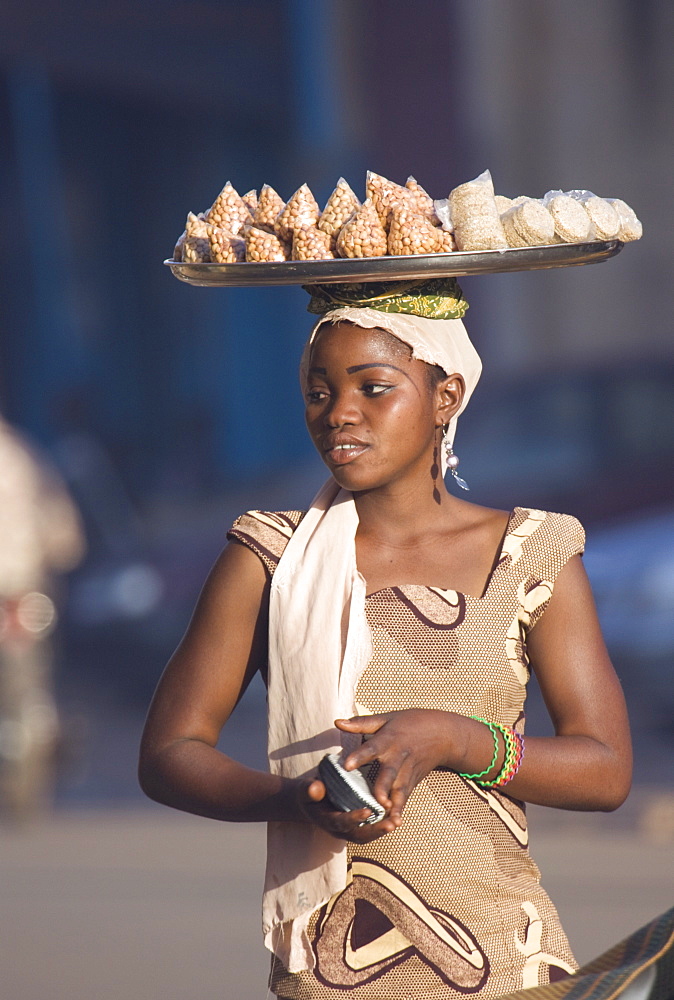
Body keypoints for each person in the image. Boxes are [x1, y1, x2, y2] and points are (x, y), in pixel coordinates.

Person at [139, 278, 653, 1000]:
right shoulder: (270, 559)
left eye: (373, 388)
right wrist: (294, 801)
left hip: (510, 962)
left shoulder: (534, 552)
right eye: (318, 393)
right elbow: (169, 753)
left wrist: (454, 739)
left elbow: (606, 771)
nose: (339, 414)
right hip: (329, 975)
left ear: (446, 397)